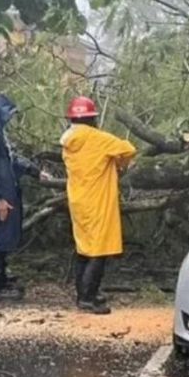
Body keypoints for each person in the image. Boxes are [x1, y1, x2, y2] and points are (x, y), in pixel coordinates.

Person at [61, 97, 137, 314]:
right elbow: (128, 149)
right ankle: (87, 299)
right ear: (92, 119)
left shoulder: (68, 141)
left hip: (78, 200)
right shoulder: (98, 138)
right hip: (98, 201)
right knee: (98, 251)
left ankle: (85, 294)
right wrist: (119, 164)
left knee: (83, 249)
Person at [0, 94, 48, 300]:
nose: (10, 118)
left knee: (5, 235)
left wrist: (34, 171)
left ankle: (2, 278)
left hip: (4, 192)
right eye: (8, 113)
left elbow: (10, 161)